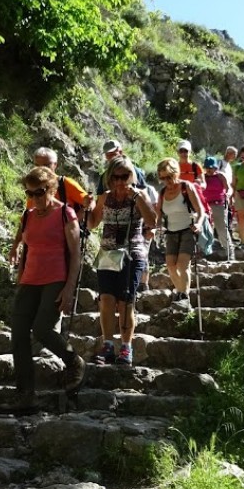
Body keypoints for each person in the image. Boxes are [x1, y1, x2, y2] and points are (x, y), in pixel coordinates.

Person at [0, 167, 86, 414]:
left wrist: (69, 288)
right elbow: (27, 247)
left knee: (41, 328)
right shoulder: (28, 215)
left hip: (55, 278)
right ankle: (25, 395)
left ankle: (74, 361)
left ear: (50, 189)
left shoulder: (65, 214)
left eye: (39, 193)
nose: (34, 198)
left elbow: (76, 254)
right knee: (17, 333)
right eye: (29, 193)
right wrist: (20, 276)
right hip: (30, 279)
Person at [89, 157, 156, 366]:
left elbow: (152, 221)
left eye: (124, 176)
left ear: (131, 176)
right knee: (106, 299)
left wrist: (136, 197)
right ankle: (108, 346)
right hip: (108, 253)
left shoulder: (139, 195)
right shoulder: (104, 198)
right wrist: (85, 208)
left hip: (132, 253)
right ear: (109, 178)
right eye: (115, 177)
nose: (119, 181)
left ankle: (126, 348)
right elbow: (92, 223)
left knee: (125, 301)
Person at [8, 147, 91, 264]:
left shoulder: (66, 184)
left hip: (65, 248)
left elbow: (89, 203)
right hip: (40, 249)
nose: (42, 169)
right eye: (37, 166)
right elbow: (25, 221)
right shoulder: (33, 191)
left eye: (46, 165)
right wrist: (16, 245)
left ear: (55, 165)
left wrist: (73, 222)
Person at [156, 159, 206, 303]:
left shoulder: (186, 187)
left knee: (182, 266)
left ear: (175, 173)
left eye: (169, 177)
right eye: (163, 178)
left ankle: (184, 296)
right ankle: (181, 292)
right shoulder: (162, 193)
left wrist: (198, 224)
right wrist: (156, 227)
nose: (167, 181)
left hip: (187, 231)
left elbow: (200, 210)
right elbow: (158, 214)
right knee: (171, 267)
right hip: (171, 233)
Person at [203, 156, 232, 260]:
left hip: (219, 204)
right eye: (207, 168)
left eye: (211, 168)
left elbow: (228, 189)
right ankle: (206, 252)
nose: (209, 170)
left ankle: (229, 251)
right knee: (206, 230)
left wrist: (227, 195)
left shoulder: (220, 176)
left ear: (215, 167)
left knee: (221, 229)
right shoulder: (203, 177)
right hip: (206, 206)